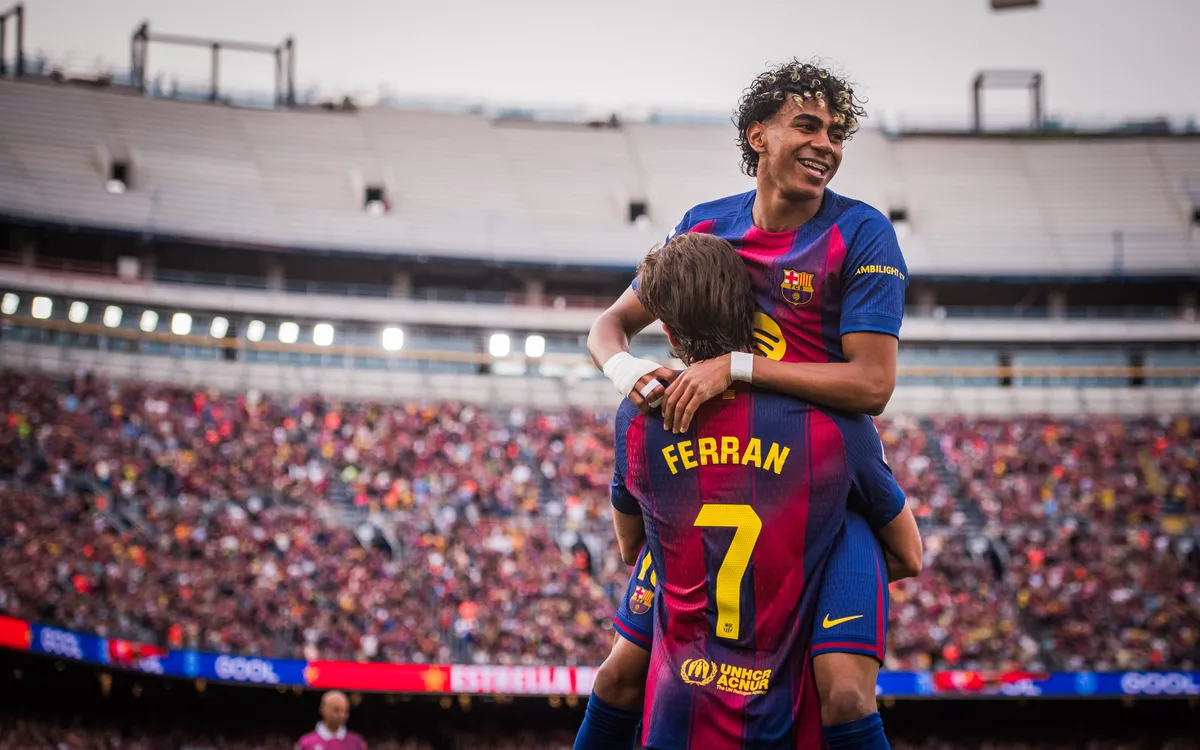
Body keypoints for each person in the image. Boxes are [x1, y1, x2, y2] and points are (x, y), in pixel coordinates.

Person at [580, 59, 916, 750]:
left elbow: (873, 386)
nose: (825, 144)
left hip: (820, 478)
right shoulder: (704, 225)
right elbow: (609, 325)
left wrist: (738, 368)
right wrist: (627, 372)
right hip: (716, 471)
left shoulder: (861, 234)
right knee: (617, 675)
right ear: (757, 135)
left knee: (845, 691)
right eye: (807, 125)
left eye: (836, 132)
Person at [296, 690, 367, 750]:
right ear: (323, 709)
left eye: (345, 711)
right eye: (336, 710)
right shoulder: (306, 743)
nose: (342, 715)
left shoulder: (357, 742)